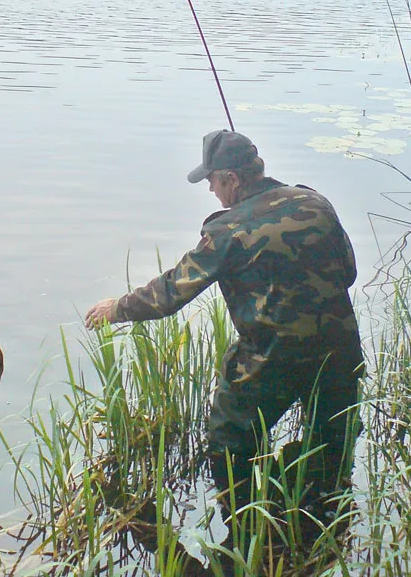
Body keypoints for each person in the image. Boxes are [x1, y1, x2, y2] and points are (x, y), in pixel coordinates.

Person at [85, 129, 363, 505]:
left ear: (231, 179)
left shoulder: (227, 230)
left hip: (273, 360)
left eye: (213, 181)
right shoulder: (316, 203)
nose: (211, 190)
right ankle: (319, 516)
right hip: (340, 353)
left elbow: (170, 294)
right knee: (332, 446)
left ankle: (244, 526)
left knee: (228, 442)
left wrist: (116, 308)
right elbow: (348, 273)